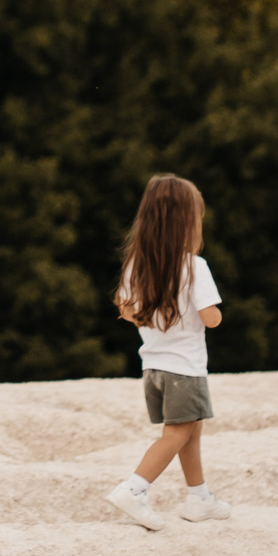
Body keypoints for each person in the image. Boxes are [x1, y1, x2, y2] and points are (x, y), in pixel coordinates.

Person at [105, 173, 234, 531]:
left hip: (154, 369)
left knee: (190, 430)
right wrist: (217, 313)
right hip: (185, 370)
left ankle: (199, 496)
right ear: (186, 223)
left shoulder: (136, 265)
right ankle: (134, 489)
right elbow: (211, 319)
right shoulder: (194, 267)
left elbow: (127, 309)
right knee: (176, 435)